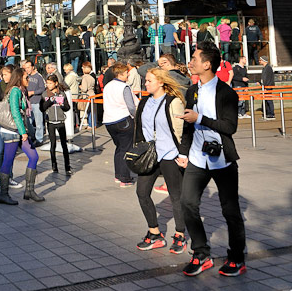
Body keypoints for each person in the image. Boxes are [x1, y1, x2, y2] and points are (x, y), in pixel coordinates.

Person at [178, 42, 246, 277]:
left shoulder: (226, 93)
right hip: (197, 158)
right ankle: (201, 254)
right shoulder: (192, 90)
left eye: (194, 59)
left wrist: (200, 118)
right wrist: (183, 152)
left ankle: (236, 258)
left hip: (222, 160)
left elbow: (230, 127)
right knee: (187, 203)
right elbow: (188, 124)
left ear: (207, 64)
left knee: (230, 211)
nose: (190, 62)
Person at [133, 69, 188, 254]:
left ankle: (180, 234)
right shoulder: (144, 102)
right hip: (150, 155)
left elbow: (182, 130)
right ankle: (155, 233)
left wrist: (183, 154)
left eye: (149, 81)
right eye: (145, 80)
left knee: (176, 196)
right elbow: (139, 129)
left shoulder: (173, 102)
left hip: (170, 154)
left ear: (161, 82)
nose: (146, 84)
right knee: (142, 192)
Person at [0, 67, 43, 204]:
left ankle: (29, 190)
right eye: (26, 77)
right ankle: (3, 194)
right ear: (19, 78)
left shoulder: (20, 90)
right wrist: (23, 132)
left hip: (18, 130)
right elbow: (15, 112)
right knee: (8, 160)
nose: (29, 79)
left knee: (33, 156)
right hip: (12, 130)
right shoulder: (15, 91)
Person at [103, 62, 137, 187]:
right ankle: (124, 178)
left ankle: (118, 175)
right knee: (126, 148)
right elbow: (131, 106)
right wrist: (135, 116)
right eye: (126, 73)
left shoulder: (108, 86)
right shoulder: (124, 87)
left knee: (119, 148)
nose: (128, 75)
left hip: (109, 120)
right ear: (120, 74)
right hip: (123, 119)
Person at [0, 65, 23, 191]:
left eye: (6, 74)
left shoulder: (15, 88)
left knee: (9, 153)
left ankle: (9, 176)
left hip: (10, 124)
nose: (3, 77)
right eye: (2, 75)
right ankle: (0, 176)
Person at [40, 74, 71, 176]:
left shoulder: (62, 94)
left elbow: (67, 107)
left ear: (56, 83)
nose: (48, 85)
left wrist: (62, 105)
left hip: (61, 122)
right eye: (47, 83)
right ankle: (54, 165)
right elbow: (42, 108)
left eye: (50, 83)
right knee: (52, 144)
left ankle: (67, 167)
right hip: (51, 122)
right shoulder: (45, 94)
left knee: (64, 144)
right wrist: (50, 101)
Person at [23, 60, 46, 143]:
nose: (27, 69)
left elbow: (42, 88)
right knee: (28, 122)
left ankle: (39, 139)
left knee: (38, 122)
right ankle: (32, 136)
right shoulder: (26, 77)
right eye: (25, 68)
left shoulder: (38, 77)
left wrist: (33, 92)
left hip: (36, 102)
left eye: (28, 67)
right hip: (28, 103)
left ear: (33, 67)